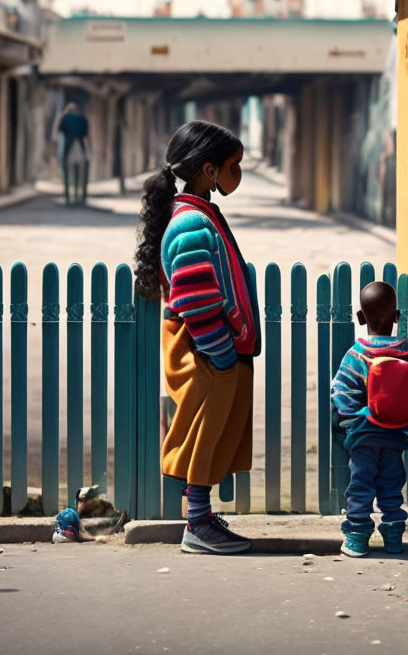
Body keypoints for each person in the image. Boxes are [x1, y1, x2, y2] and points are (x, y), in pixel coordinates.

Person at [135, 120, 260, 555]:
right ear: (208, 170)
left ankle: (202, 518)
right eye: (234, 165)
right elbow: (195, 299)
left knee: (213, 436)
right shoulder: (190, 223)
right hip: (206, 353)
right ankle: (196, 526)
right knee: (203, 437)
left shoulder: (198, 214)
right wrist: (222, 355)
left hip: (212, 352)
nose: (237, 174)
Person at [331, 281, 408, 558]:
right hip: (396, 437)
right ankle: (393, 537)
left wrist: (352, 427)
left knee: (360, 488)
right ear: (397, 316)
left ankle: (357, 538)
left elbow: (340, 394)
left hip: (364, 439)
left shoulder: (356, 356)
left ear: (359, 317)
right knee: (392, 489)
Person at [57, 103, 91, 205]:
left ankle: (67, 197)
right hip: (80, 148)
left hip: (69, 149)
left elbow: (60, 131)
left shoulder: (65, 118)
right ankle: (79, 196)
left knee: (67, 175)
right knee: (80, 175)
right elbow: (85, 135)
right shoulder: (83, 119)